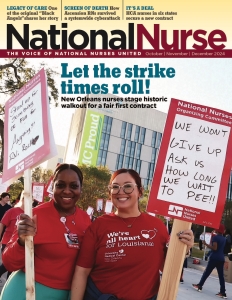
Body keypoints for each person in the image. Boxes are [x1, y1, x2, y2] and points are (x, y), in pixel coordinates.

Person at [71, 168, 194, 300]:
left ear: (140, 191)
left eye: (128, 186)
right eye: (115, 187)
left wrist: (184, 249)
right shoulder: (97, 226)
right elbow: (82, 272)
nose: (121, 191)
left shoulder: (157, 226)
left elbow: (168, 269)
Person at [1, 163, 91, 300]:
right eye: (60, 185)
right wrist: (21, 241)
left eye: (74, 186)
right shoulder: (33, 215)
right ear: (52, 187)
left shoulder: (86, 220)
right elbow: (9, 263)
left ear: (81, 189)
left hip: (67, 294)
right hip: (26, 291)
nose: (67, 191)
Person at [192, 223, 227, 299]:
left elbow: (214, 248)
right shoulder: (224, 239)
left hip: (214, 258)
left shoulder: (215, 238)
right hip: (221, 258)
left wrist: (206, 244)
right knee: (221, 276)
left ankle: (199, 286)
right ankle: (223, 292)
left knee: (206, 272)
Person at [0, 192, 24, 279]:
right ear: (22, 199)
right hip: (7, 242)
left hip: (20, 244)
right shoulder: (12, 211)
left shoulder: (31, 213)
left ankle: (8, 287)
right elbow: (2, 224)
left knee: (12, 268)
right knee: (7, 265)